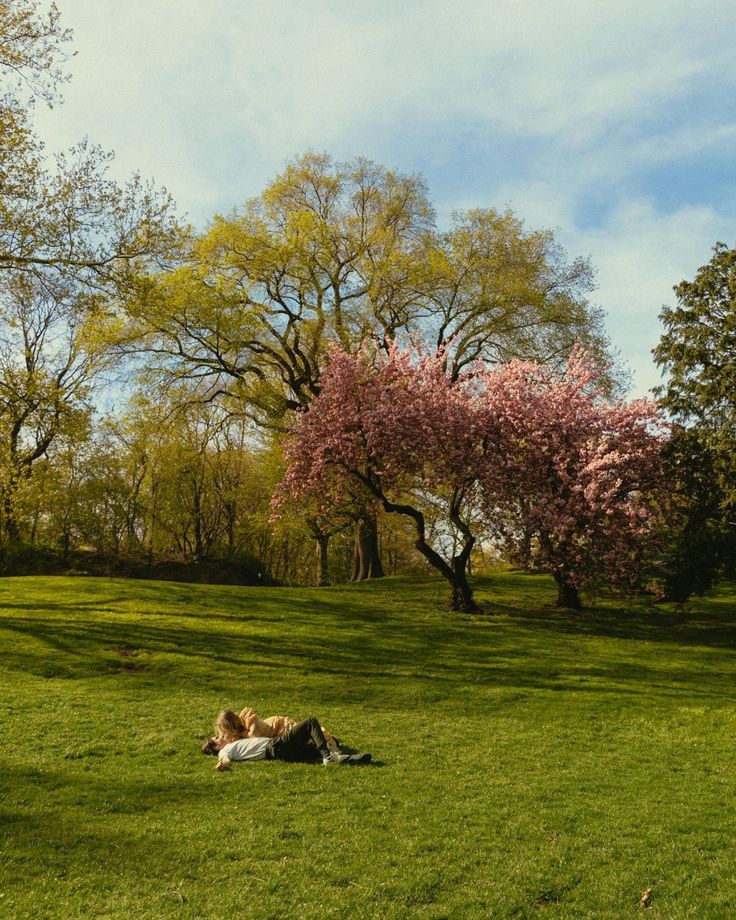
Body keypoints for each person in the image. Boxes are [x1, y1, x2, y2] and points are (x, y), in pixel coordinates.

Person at [202, 716, 371, 771]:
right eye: (216, 739)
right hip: (276, 746)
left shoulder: (234, 743)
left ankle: (353, 758)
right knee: (311, 722)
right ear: (216, 747)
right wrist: (221, 765)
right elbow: (225, 759)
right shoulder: (224, 751)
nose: (220, 737)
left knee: (322, 744)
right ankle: (328, 757)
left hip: (280, 752)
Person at [213, 707, 339, 749]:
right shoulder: (239, 732)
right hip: (277, 733)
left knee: (305, 734)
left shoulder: (249, 719)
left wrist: (236, 738)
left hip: (281, 726)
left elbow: (254, 737)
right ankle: (326, 742)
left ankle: (328, 740)